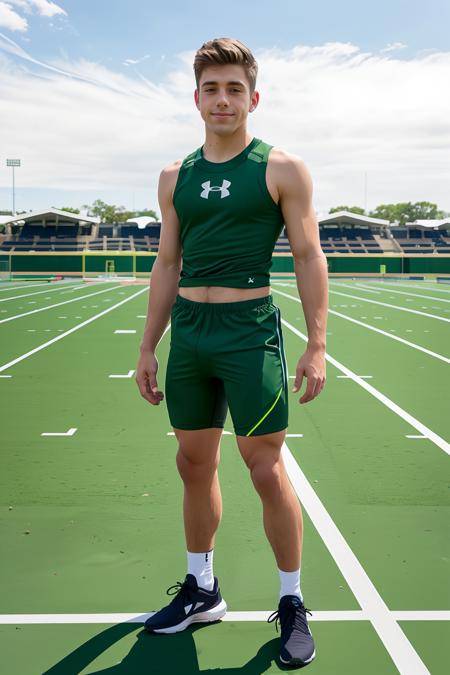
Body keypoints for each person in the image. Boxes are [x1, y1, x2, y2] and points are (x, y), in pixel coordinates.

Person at [136, 37, 328, 668]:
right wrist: (148, 346)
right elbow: (167, 262)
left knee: (265, 468)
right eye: (212, 89)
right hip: (191, 331)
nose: (223, 99)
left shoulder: (281, 169)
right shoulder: (174, 176)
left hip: (250, 330)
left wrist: (317, 344)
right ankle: (202, 588)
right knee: (192, 463)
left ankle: (293, 600)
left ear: (253, 97)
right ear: (196, 99)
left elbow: (307, 255)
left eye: (234, 89)